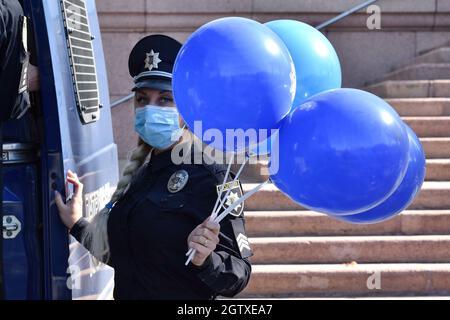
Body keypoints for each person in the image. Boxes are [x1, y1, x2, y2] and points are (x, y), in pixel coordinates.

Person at [54, 34, 253, 300]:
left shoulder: (212, 177)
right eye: (142, 99)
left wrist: (205, 260)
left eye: (165, 99)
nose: (150, 109)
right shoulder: (141, 175)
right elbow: (126, 257)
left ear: (186, 109)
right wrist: (77, 223)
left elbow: (239, 275)